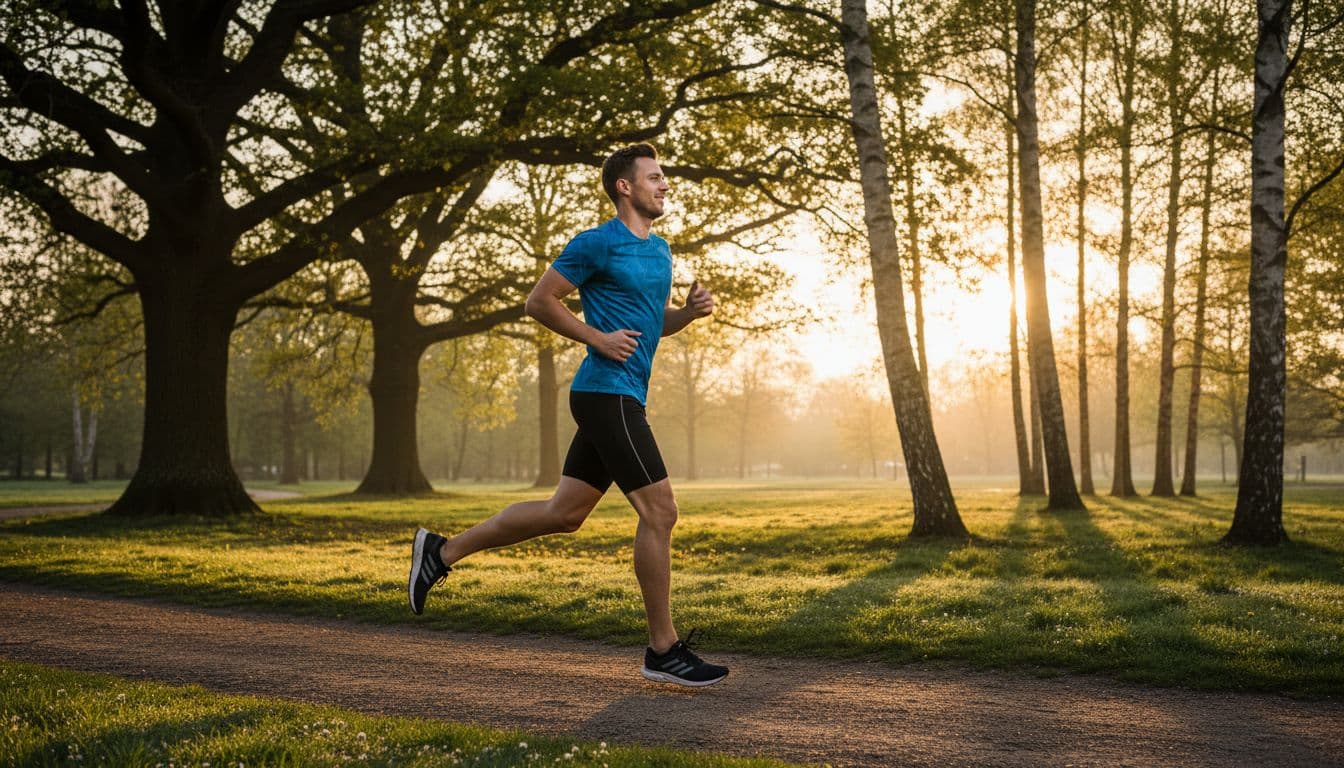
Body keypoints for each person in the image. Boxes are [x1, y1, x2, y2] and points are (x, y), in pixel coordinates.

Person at [407, 143, 728, 687]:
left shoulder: (661, 252)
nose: (664, 184)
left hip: (624, 394)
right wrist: (596, 337)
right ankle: (663, 649)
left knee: (564, 513)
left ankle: (442, 551)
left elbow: (652, 326)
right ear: (624, 187)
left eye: (664, 177)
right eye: (654, 177)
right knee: (661, 512)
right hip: (606, 393)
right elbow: (539, 301)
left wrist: (686, 315)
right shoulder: (595, 244)